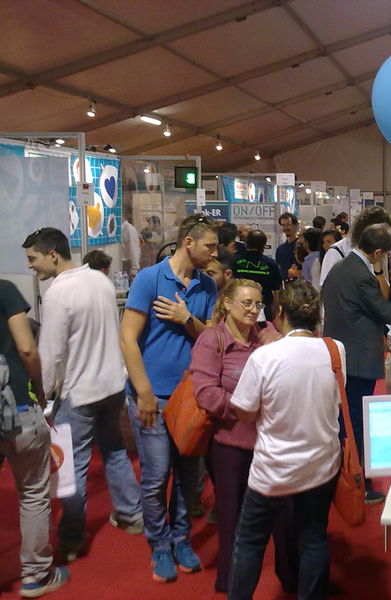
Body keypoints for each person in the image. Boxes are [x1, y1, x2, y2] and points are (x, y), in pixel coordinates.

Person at [22, 227, 143, 563]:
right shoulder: (101, 282)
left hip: (79, 392)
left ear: (52, 255)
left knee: (71, 466)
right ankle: (132, 514)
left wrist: (42, 395)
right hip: (112, 385)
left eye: (33, 258)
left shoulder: (58, 294)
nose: (30, 265)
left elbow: (51, 353)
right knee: (115, 452)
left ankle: (73, 538)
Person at [228, 281, 343, 600]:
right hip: (321, 464)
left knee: (250, 540)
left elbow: (245, 412)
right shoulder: (335, 350)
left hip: (273, 468)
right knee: (313, 537)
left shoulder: (265, 357)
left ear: (279, 314)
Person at [120, 214, 218, 583]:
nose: (214, 253)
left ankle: (180, 538)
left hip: (190, 396)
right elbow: (127, 338)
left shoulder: (207, 285)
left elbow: (211, 338)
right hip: (152, 397)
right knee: (156, 475)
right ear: (188, 243)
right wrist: (143, 391)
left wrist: (185, 317)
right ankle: (159, 543)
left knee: (188, 476)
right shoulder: (149, 279)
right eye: (210, 246)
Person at [190, 279, 296, 593]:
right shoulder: (212, 340)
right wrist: (247, 408)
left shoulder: (267, 335)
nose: (252, 310)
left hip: (270, 444)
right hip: (231, 446)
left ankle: (291, 576)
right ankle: (231, 583)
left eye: (257, 304)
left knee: (285, 516)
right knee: (233, 517)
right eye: (246, 303)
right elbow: (206, 393)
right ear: (227, 304)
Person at [322, 224, 391, 502]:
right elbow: (389, 313)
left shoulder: (341, 268)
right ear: (378, 253)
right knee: (355, 422)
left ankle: (347, 477)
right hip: (358, 358)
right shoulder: (361, 275)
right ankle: (357, 483)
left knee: (346, 419)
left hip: (342, 354)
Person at [0, 279, 69, 598]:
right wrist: (40, 391)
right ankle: (35, 576)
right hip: (17, 409)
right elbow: (27, 347)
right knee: (32, 493)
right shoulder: (4, 290)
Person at [319, 207, 391, 287]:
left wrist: (379, 273)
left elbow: (385, 287)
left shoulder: (379, 251)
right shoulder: (336, 252)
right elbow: (328, 289)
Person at [232, 230, 283, 319]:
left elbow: (229, 284)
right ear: (264, 245)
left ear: (246, 243)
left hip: (239, 306)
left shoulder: (234, 261)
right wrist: (275, 308)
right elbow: (277, 290)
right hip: (263, 307)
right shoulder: (271, 264)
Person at [276, 212, 299, 281]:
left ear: (296, 225)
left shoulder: (302, 247)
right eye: (283, 225)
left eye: (288, 224)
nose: (285, 228)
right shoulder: (280, 249)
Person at [121, 206, 142, 278]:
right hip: (122, 263)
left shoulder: (129, 229)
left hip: (128, 264)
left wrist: (134, 268)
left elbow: (134, 248)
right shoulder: (120, 229)